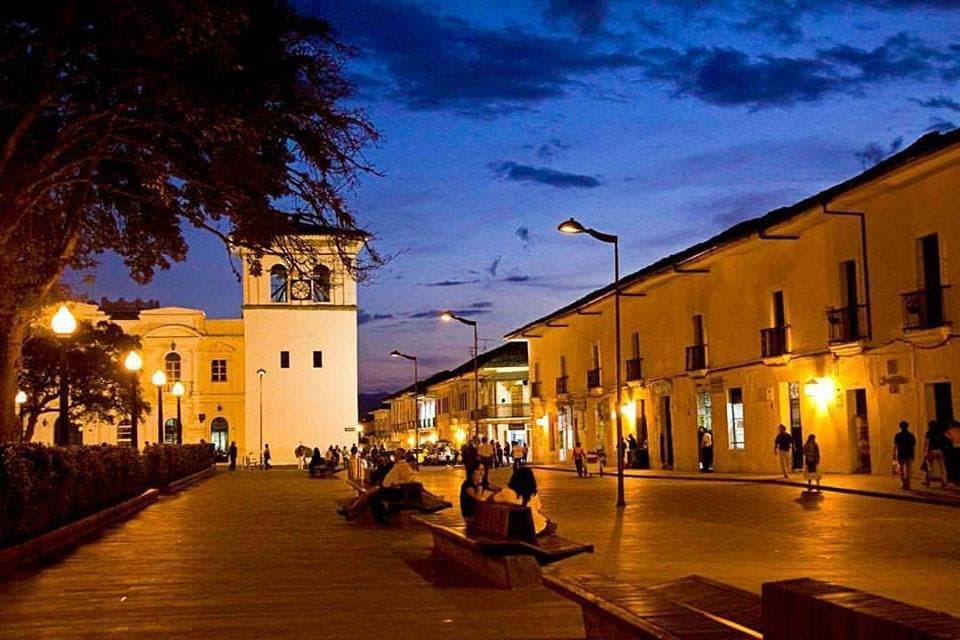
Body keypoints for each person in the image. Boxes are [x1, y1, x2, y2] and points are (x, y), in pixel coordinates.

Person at [493, 466, 555, 536]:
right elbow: (538, 508)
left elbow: (494, 498)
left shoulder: (508, 493)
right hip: (535, 528)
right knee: (547, 521)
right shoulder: (533, 494)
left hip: (517, 529)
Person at [923, 420, 948, 489]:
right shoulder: (940, 432)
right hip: (940, 450)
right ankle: (944, 483)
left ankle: (928, 482)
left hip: (931, 450)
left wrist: (925, 453)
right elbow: (946, 439)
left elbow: (927, 443)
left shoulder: (929, 433)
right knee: (942, 468)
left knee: (929, 467)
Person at [893, 420, 916, 490]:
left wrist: (894, 454)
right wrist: (913, 455)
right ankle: (908, 484)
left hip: (901, 454)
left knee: (902, 470)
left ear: (900, 427)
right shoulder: (911, 435)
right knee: (909, 470)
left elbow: (895, 446)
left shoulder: (898, 435)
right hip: (909, 453)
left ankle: (903, 484)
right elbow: (913, 446)